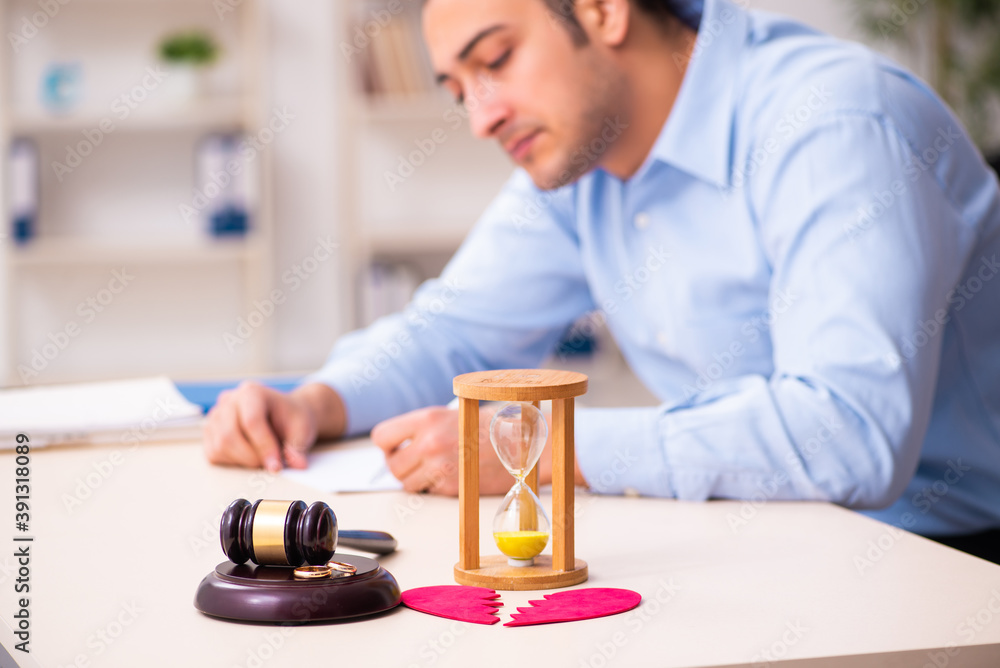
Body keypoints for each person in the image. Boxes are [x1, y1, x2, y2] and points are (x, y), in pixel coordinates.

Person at [204, 0, 1000, 561]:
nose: (480, 115)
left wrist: (532, 445)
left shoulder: (834, 123)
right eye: (456, 89)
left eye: (494, 60)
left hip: (951, 558)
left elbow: (847, 436)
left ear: (604, 10)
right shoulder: (585, 161)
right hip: (771, 535)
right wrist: (313, 401)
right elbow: (453, 330)